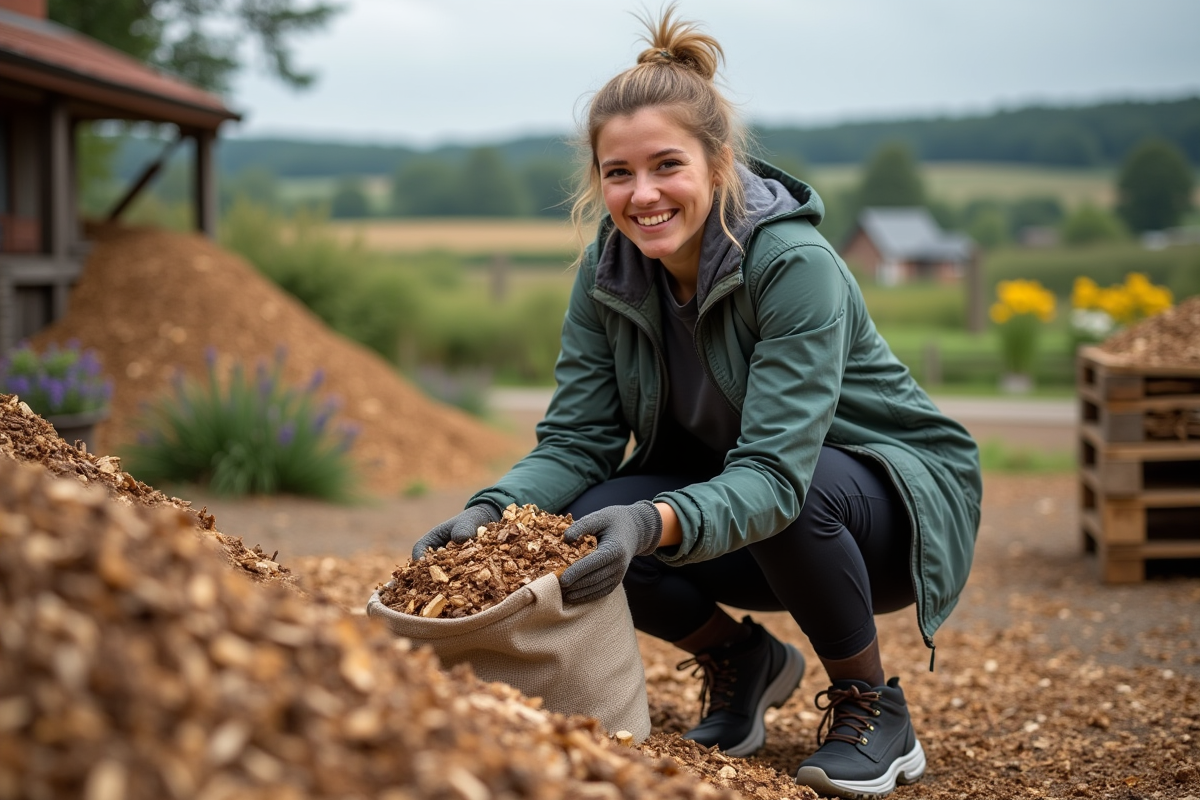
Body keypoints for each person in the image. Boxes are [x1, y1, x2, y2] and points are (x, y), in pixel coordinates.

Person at [412, 6, 981, 798]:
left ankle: (871, 705)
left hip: (884, 514)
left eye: (666, 166)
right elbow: (576, 440)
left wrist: (652, 523)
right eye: (618, 173)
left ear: (718, 163)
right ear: (598, 180)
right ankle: (742, 660)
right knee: (583, 514)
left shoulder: (792, 263)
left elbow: (778, 472)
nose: (642, 195)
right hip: (749, 511)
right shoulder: (606, 274)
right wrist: (492, 512)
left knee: (788, 487)